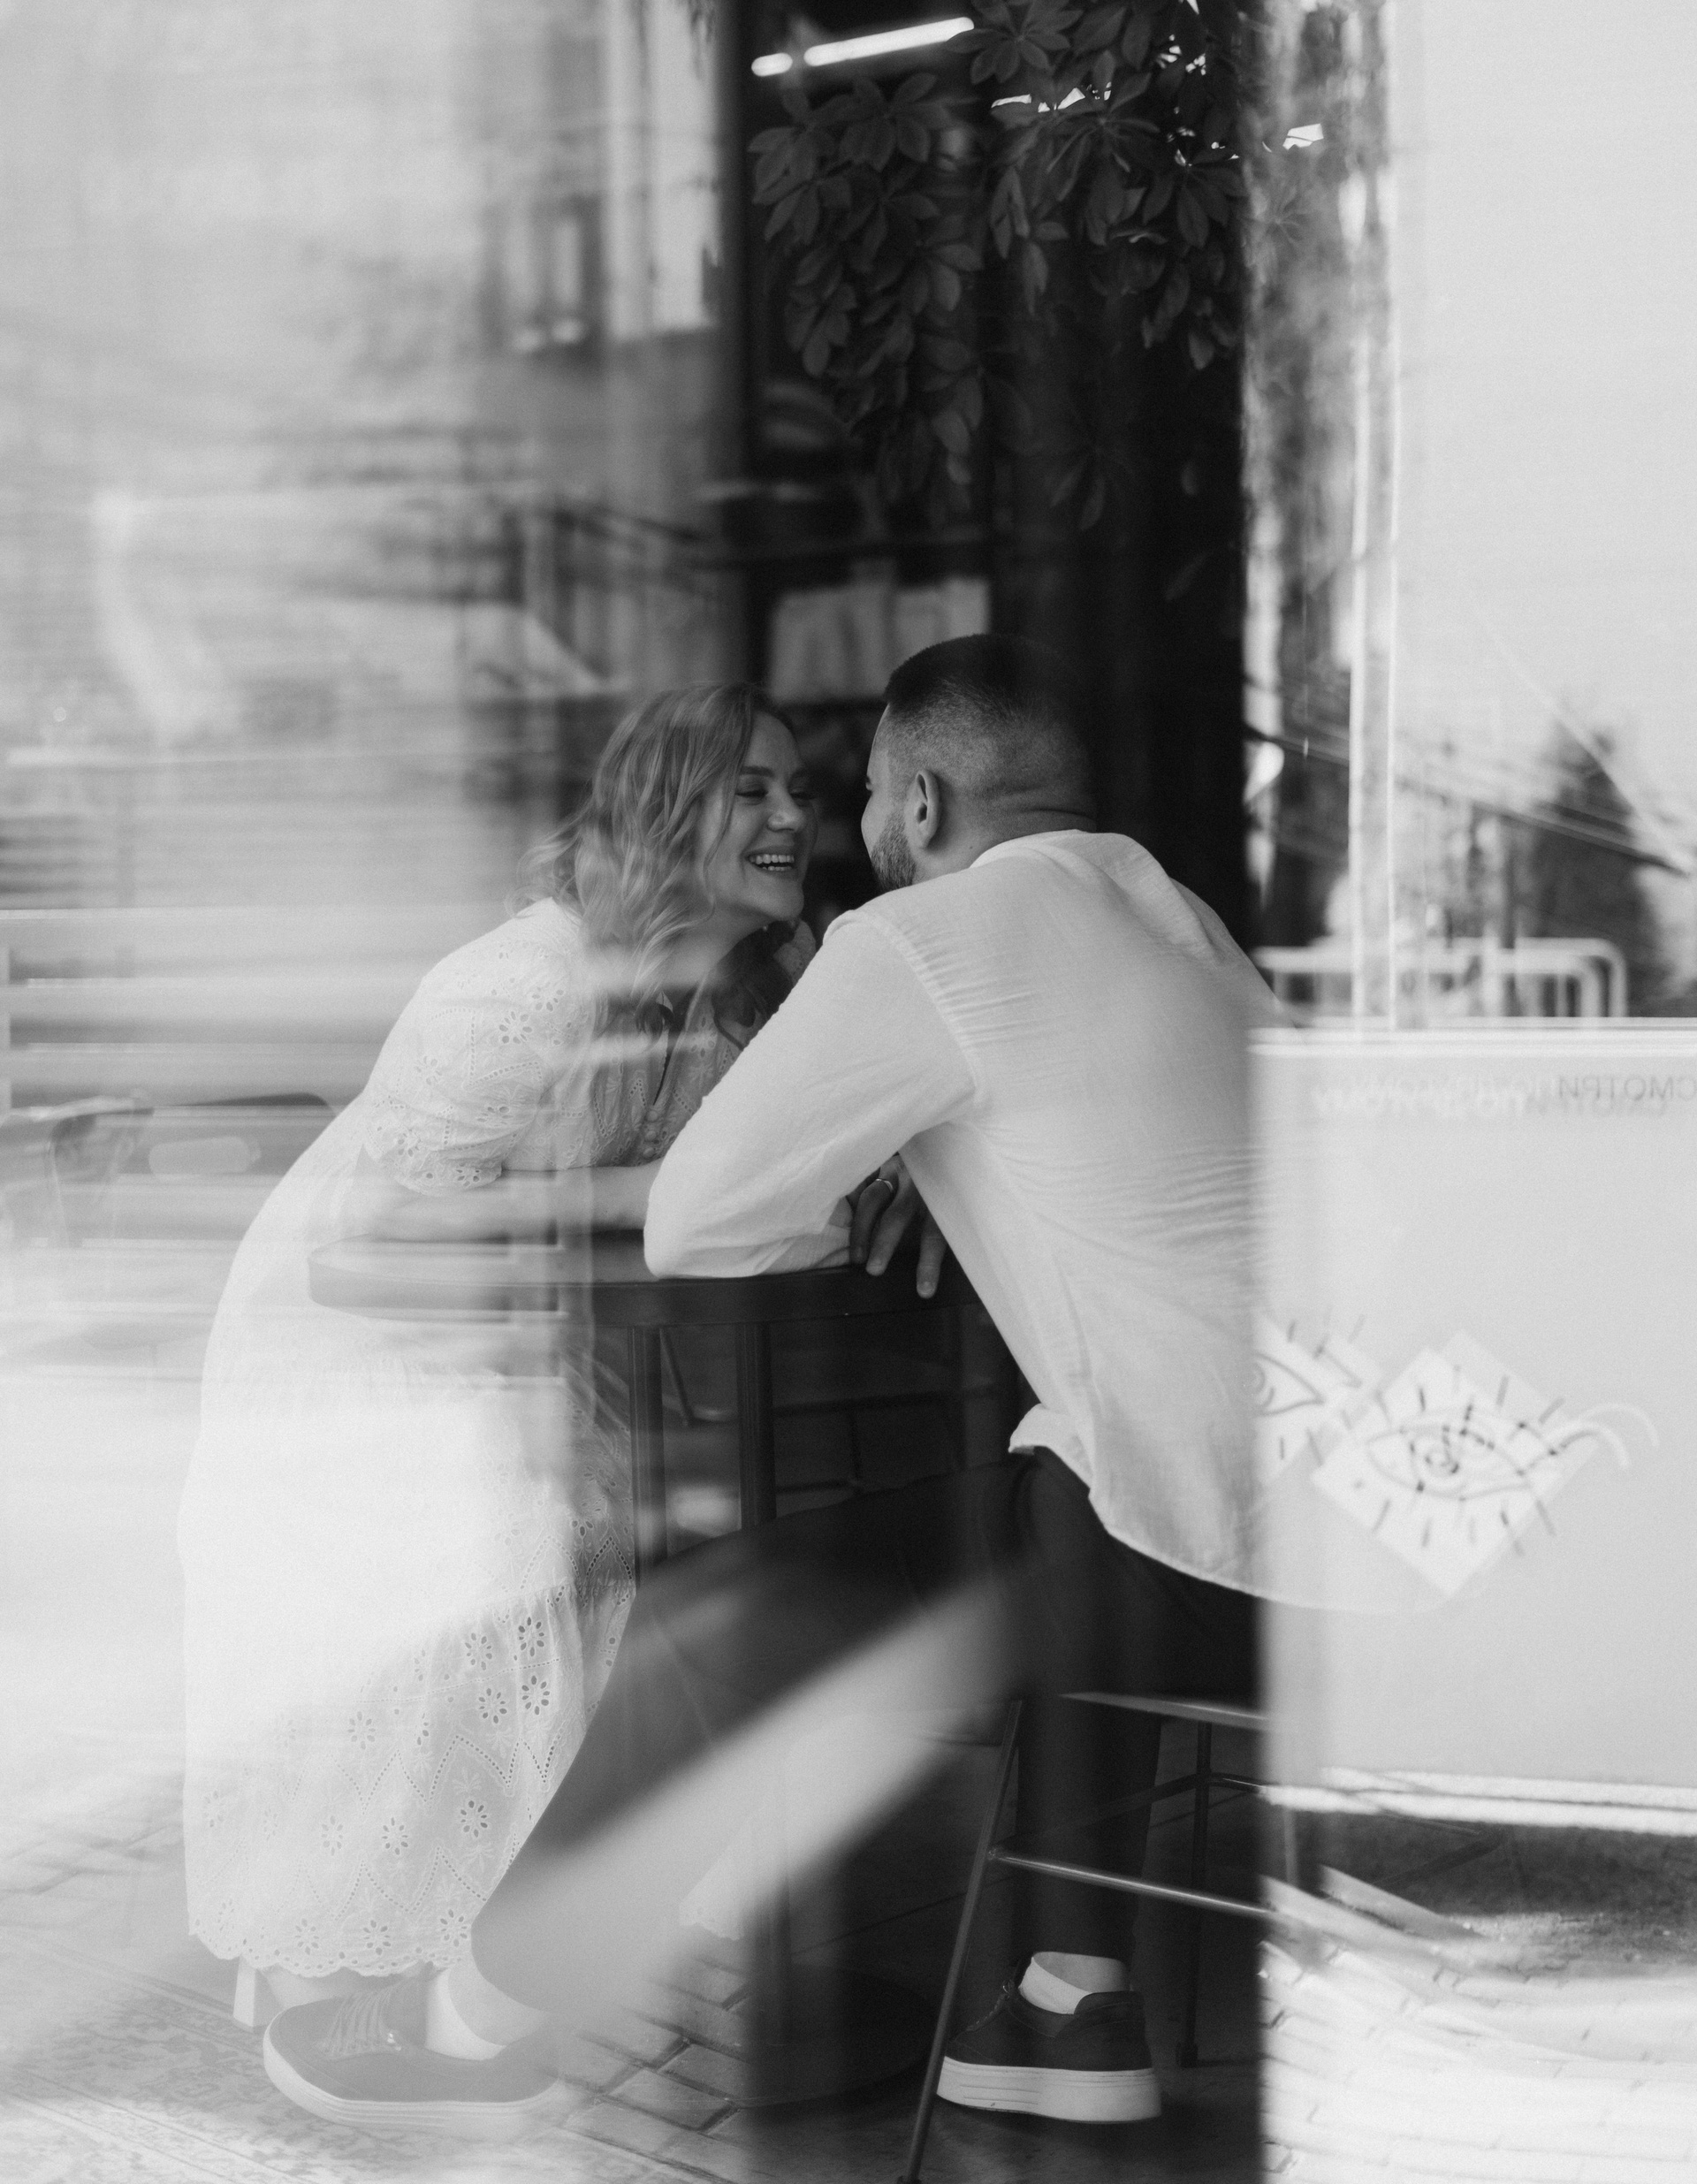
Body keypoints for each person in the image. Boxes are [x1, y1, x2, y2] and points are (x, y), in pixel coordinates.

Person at [260, 632, 1275, 2134]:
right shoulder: (1186, 925)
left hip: (1188, 1549)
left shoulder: (918, 938)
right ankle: (1072, 2002)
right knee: (1084, 1481)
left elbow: (696, 1221)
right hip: (1355, 1566)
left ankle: (474, 2026)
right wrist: (925, 1153)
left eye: (851, 792)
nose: (833, 824)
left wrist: (884, 1154)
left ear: (920, 805)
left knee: (710, 1629)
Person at [178, 685, 817, 2020]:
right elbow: (386, 1235)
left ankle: (505, 1959)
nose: (791, 818)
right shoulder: (525, 980)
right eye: (752, 788)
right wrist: (640, 1195)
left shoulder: (723, 997)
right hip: (359, 1342)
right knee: (502, 1549)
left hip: (519, 1332)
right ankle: (355, 1974)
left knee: (618, 1559)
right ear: (666, 809)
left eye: (798, 791)